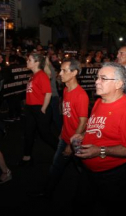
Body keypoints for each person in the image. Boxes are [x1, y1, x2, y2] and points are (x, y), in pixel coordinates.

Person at [73, 62, 126, 215]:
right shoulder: (99, 102)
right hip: (88, 172)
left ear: (119, 83)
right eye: (97, 77)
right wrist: (83, 135)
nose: (97, 81)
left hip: (113, 176)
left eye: (103, 78)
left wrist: (100, 151)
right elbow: (97, 128)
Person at [36, 58, 89, 199]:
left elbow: (83, 122)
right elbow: (67, 115)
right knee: (56, 166)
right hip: (65, 137)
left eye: (64, 70)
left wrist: (72, 144)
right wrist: (62, 132)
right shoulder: (66, 90)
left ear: (74, 73)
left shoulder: (81, 95)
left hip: (76, 141)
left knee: (83, 168)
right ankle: (47, 193)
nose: (60, 73)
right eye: (61, 70)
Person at [18, 53, 58, 165]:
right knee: (28, 132)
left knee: (45, 134)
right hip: (30, 108)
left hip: (39, 108)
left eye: (29, 60)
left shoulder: (42, 75)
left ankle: (63, 151)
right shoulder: (32, 76)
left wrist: (43, 109)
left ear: (36, 63)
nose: (27, 61)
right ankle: (27, 157)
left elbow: (48, 93)